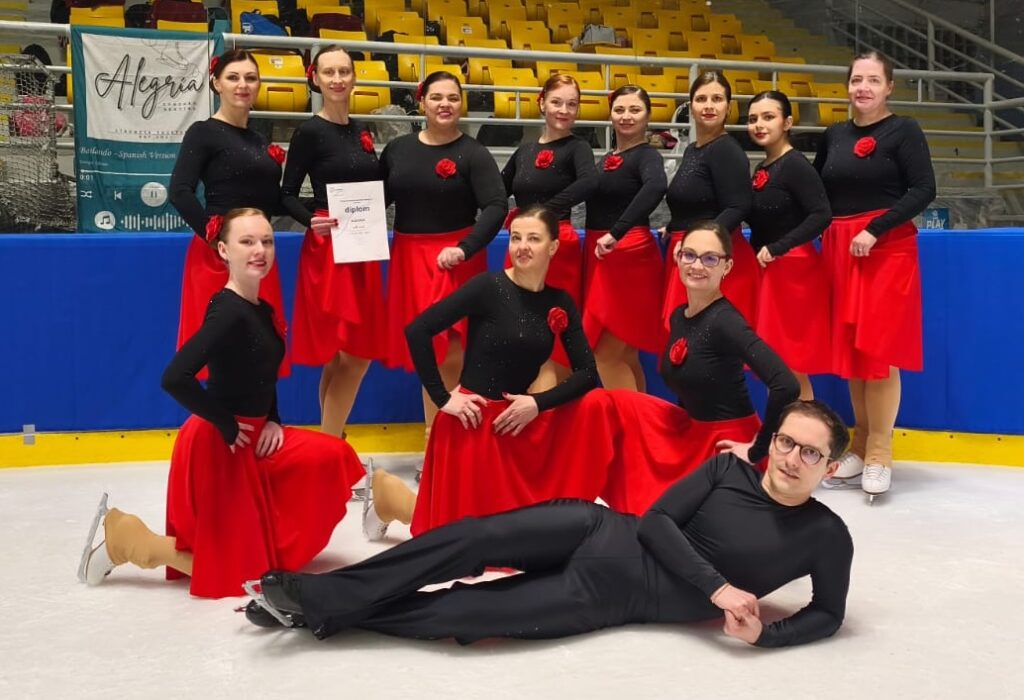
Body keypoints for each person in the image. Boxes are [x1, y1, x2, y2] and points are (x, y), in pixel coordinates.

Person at [246, 400, 853, 651]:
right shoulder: (727, 470)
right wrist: (717, 588)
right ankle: (321, 595)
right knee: (471, 538)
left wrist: (765, 636)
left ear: (828, 468)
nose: (791, 459)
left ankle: (325, 610)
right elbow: (657, 524)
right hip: (595, 530)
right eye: (786, 442)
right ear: (772, 441)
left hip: (606, 595)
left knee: (465, 612)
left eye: (810, 453)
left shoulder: (824, 535)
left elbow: (828, 613)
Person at [78, 209, 365, 599]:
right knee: (242, 576)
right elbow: (175, 377)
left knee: (332, 455)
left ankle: (248, 545)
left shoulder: (261, 308)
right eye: (247, 242)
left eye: (267, 241)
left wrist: (273, 419)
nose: (260, 250)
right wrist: (227, 425)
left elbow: (264, 373)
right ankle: (131, 542)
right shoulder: (227, 310)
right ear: (223, 250)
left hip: (254, 433)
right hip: (220, 443)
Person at [366, 207, 614, 539]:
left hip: (515, 426)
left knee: (508, 540)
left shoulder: (560, 302)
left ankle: (389, 496)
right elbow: (418, 330)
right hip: (471, 426)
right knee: (459, 540)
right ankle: (387, 499)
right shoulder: (488, 287)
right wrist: (443, 399)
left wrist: (537, 403)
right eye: (516, 238)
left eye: (533, 239)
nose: (522, 246)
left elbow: (587, 373)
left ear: (553, 246)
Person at [601, 221, 800, 514]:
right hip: (693, 434)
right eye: (690, 255)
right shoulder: (680, 316)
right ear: (678, 257)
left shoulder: (726, 322)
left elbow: (786, 384)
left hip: (724, 445)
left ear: (727, 266)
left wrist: (757, 448)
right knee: (606, 404)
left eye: (710, 258)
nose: (697, 266)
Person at [813, 51, 936, 498]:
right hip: (840, 248)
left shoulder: (904, 131)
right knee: (853, 350)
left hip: (884, 247)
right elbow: (814, 190)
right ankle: (861, 443)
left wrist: (875, 228)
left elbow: (924, 189)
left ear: (889, 87)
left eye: (873, 80)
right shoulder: (834, 135)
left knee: (878, 349)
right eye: (856, 80)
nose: (862, 87)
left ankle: (881, 450)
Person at [379, 70, 507, 438]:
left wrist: (465, 248)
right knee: (427, 346)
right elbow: (373, 201)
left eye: (452, 97)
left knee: (451, 347)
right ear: (422, 102)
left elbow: (496, 206)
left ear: (461, 103)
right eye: (436, 97)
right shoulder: (397, 150)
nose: (445, 104)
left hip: (455, 260)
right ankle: (434, 435)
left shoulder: (474, 153)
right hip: (410, 257)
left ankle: (443, 437)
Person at [281, 45, 386, 438]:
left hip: (363, 246)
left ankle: (330, 442)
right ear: (315, 78)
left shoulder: (361, 129)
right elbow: (287, 193)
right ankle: (330, 446)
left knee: (343, 358)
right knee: (354, 356)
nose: (338, 79)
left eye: (344, 71)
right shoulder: (310, 132)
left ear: (355, 77)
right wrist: (311, 220)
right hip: (330, 249)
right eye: (329, 72)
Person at [169, 49, 289, 379]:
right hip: (217, 256)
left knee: (261, 350)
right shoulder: (203, 132)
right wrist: (216, 239)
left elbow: (273, 201)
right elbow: (179, 191)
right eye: (233, 77)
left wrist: (322, 210)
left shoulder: (259, 139)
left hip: (258, 255)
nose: (242, 84)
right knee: (221, 354)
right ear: (216, 83)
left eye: (250, 78)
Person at [501, 73, 598, 390]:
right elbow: (497, 189)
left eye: (572, 104)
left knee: (553, 330)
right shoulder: (525, 150)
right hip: (522, 244)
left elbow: (589, 182)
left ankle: (556, 406)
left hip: (557, 245)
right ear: (542, 103)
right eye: (557, 102)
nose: (564, 110)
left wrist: (542, 216)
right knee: (520, 327)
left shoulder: (578, 147)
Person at [747, 90, 832, 400]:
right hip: (769, 268)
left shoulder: (795, 165)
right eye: (753, 118)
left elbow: (821, 214)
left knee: (789, 363)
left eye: (768, 117)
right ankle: (787, 424)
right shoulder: (762, 168)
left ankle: (801, 427)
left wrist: (779, 247)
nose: (759, 124)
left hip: (793, 271)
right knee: (776, 363)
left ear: (787, 122)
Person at [583, 85, 667, 391]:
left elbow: (656, 187)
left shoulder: (647, 155)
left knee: (605, 355)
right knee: (624, 352)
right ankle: (637, 417)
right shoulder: (608, 157)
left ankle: (626, 419)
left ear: (648, 115)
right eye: (619, 110)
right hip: (603, 252)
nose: (626, 116)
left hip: (627, 253)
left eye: (635, 110)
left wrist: (616, 232)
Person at [663, 72, 757, 331]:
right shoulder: (693, 149)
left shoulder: (726, 150)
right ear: (691, 106)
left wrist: (696, 242)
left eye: (717, 99)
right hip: (692, 256)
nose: (708, 106)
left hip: (713, 262)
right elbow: (694, 201)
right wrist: (673, 226)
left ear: (729, 107)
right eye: (701, 99)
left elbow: (738, 206)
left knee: (707, 345)